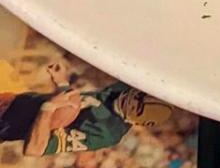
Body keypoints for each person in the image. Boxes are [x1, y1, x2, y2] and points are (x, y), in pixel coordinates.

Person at [0, 61, 172, 156]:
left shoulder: (106, 132)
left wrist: (48, 108)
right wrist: (62, 83)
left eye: (138, 105)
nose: (133, 97)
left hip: (5, 122)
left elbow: (35, 149)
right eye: (139, 94)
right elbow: (73, 102)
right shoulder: (121, 91)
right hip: (14, 97)